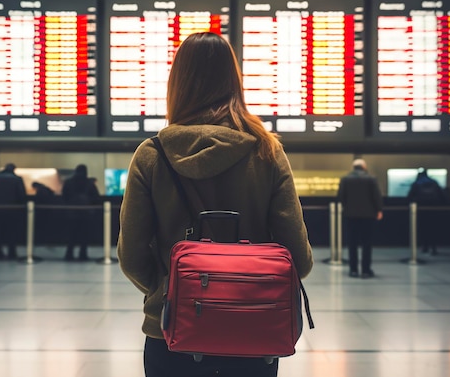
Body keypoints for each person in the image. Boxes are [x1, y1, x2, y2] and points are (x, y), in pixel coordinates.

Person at [117, 32, 313, 377]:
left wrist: (171, 287)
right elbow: (299, 257)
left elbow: (131, 255)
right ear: (233, 81)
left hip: (171, 329)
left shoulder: (152, 155)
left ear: (177, 85)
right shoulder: (266, 152)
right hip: (255, 329)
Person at [337, 158, 383, 278]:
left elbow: (341, 197)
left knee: (352, 243)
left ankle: (353, 270)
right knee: (367, 243)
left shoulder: (345, 179)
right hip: (368, 216)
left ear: (354, 167)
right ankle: (366, 270)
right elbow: (376, 196)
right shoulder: (371, 178)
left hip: (350, 215)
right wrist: (379, 210)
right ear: (364, 167)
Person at [0, 163, 27, 259]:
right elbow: (21, 196)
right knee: (11, 232)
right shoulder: (17, 179)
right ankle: (12, 253)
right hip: (12, 210)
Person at [61, 164, 100, 261]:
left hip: (72, 212)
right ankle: (83, 254)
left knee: (71, 235)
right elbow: (96, 197)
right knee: (84, 235)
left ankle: (69, 254)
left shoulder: (68, 182)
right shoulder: (89, 183)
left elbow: (64, 196)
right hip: (86, 213)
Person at [407, 168, 446, 254]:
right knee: (433, 228)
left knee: (423, 228)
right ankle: (434, 247)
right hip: (434, 209)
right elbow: (442, 195)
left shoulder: (416, 183)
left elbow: (409, 196)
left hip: (420, 209)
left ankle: (425, 246)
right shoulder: (434, 182)